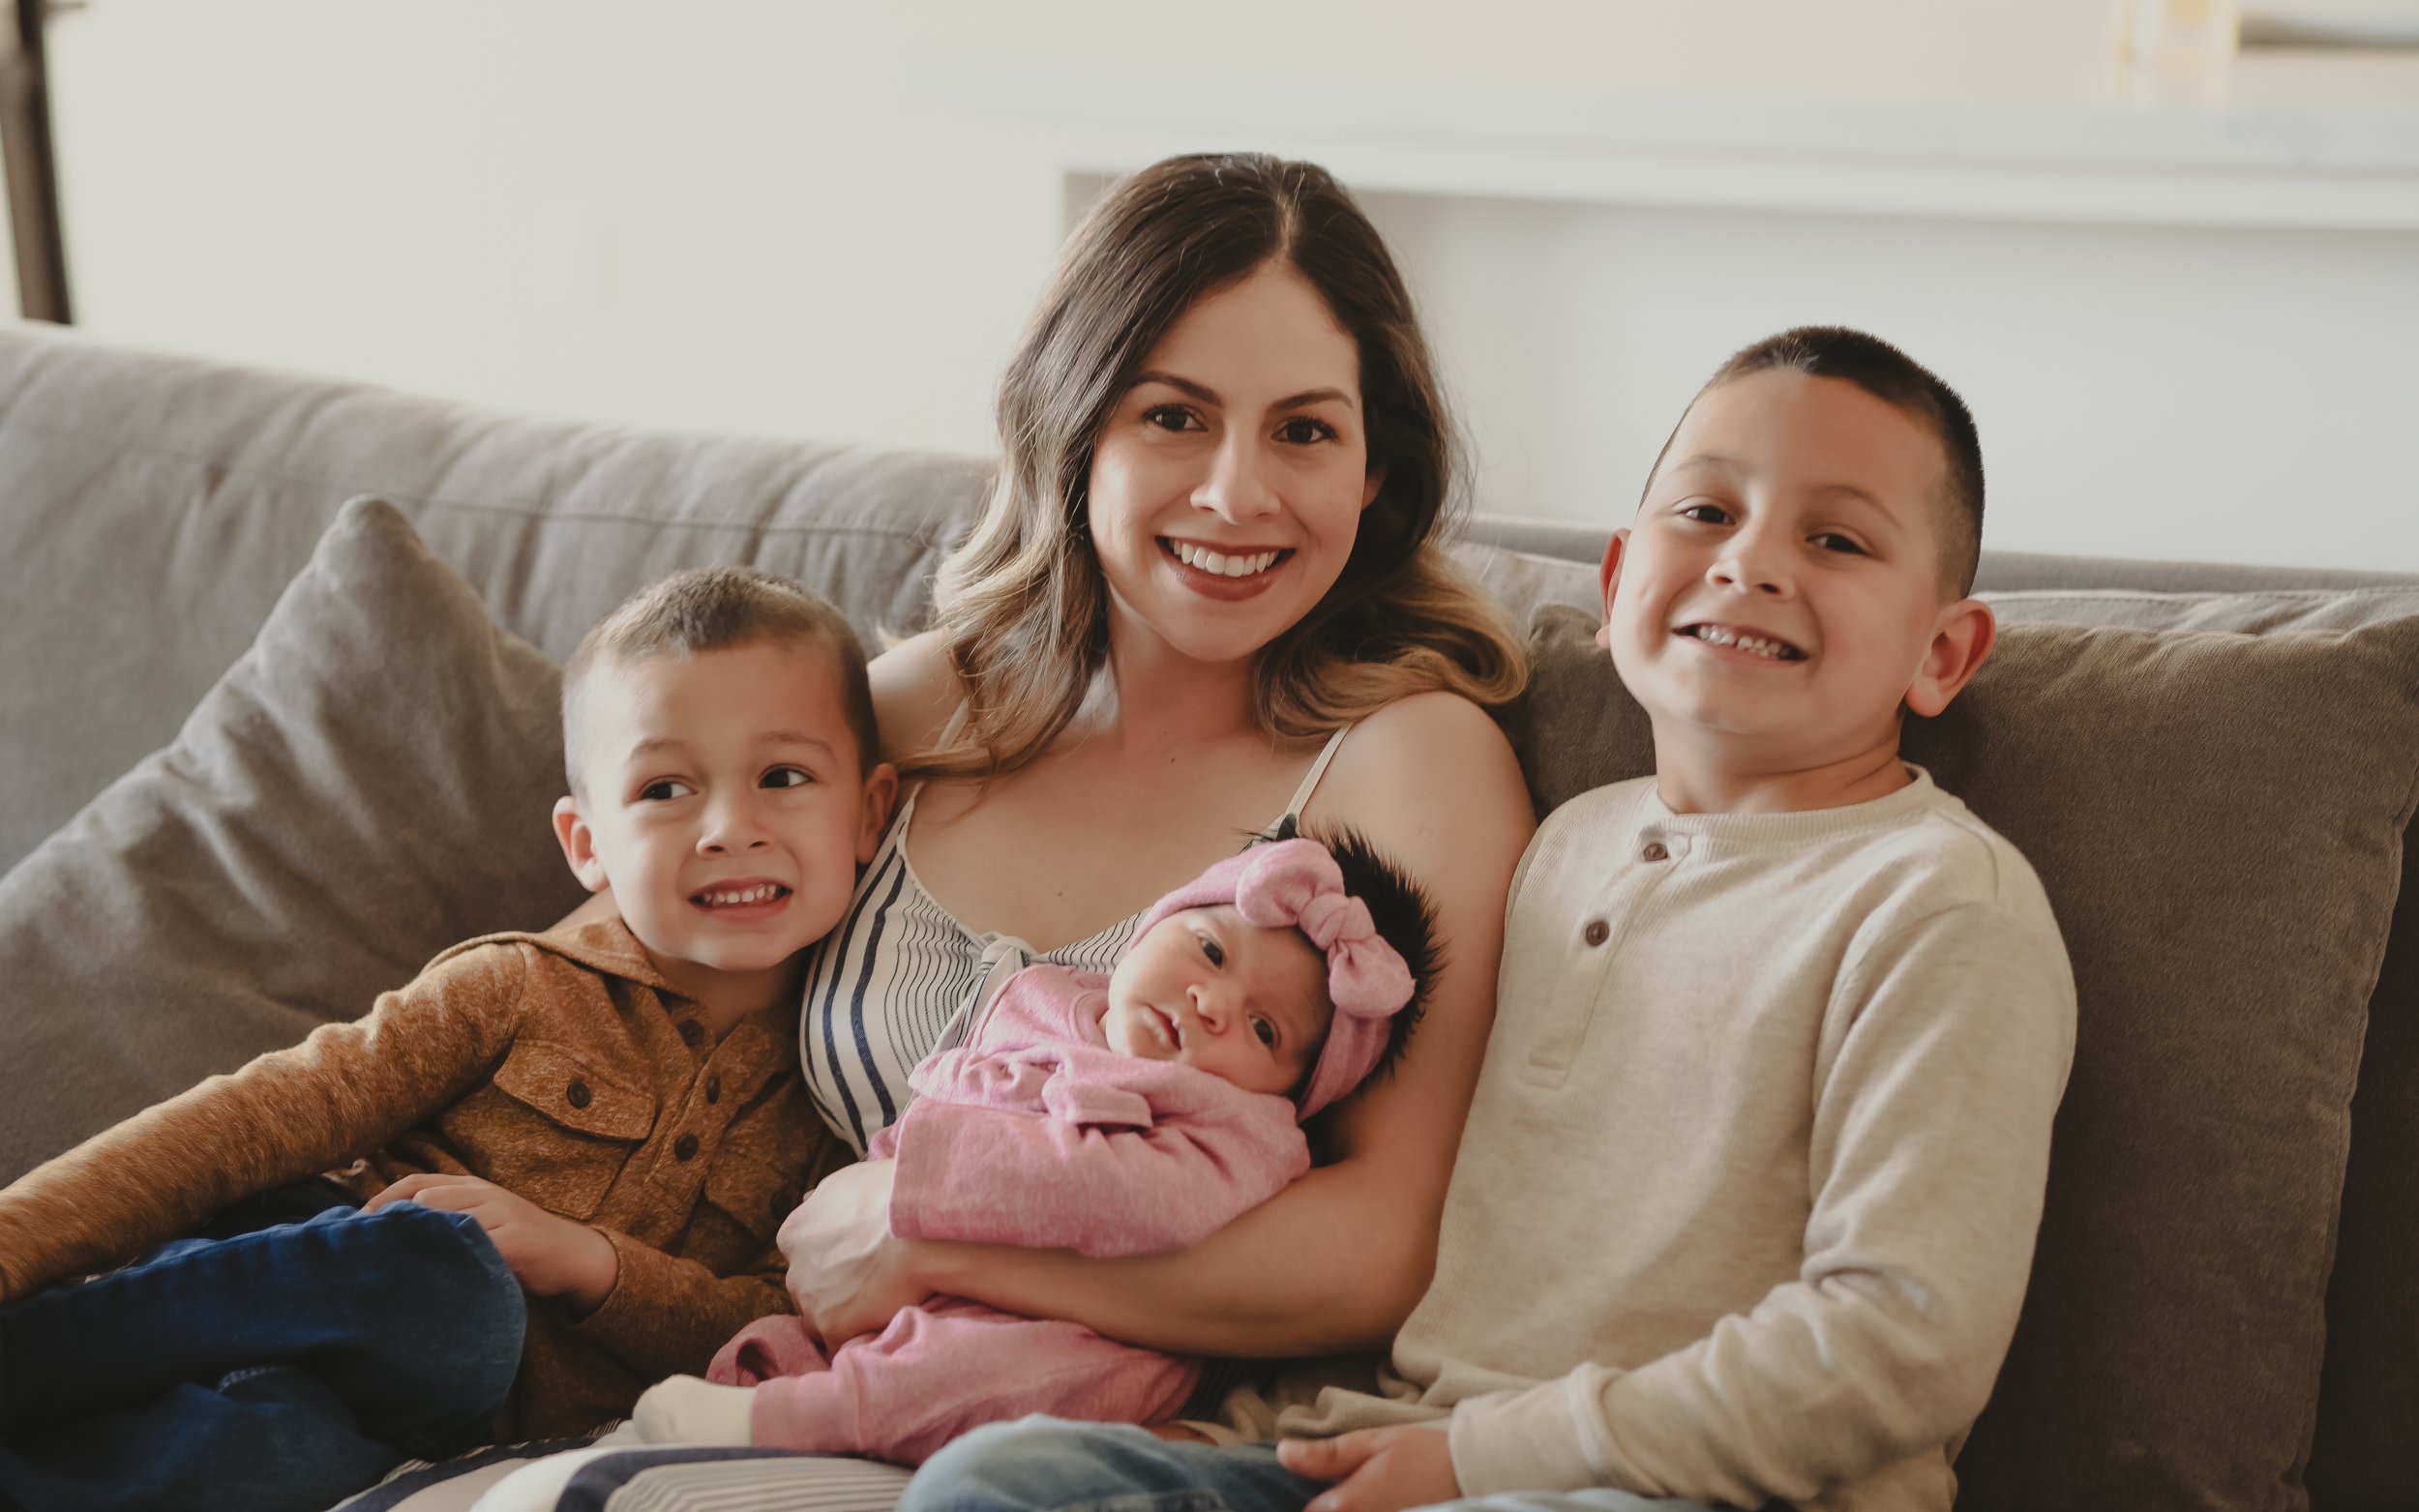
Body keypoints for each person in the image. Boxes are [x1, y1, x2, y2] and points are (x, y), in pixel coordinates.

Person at [471, 151, 1535, 1512]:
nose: (1236, 492)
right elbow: (592, 995)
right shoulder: (919, 711)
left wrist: (936, 1246)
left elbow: (1384, 1246)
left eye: (1305, 431)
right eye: (1174, 415)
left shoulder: (1411, 764)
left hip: (1126, 1448)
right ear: (1072, 426)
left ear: (1378, 469)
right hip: (789, 1379)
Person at [900, 326, 2079, 1512]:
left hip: (1662, 1490)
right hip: (1397, 1447)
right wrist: (1238, 1431)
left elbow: (1900, 1344)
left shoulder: (1938, 905)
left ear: (1942, 654)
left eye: (1835, 539)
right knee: (998, 1481)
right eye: (1706, 513)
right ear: (1615, 586)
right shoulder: (1562, 845)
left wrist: (1485, 1457)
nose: (1749, 563)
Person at [0, 567, 898, 1512]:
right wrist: (17, 1238)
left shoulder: (851, 1100)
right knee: (454, 1286)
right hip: (324, 1275)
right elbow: (253, 1119)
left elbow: (784, 1325)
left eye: (782, 777)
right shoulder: (517, 986)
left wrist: (591, 1262)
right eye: (665, 787)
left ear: (869, 813)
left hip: (401, 1430)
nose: (729, 828)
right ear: (587, 843)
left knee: (287, 1461)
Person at [627, 831, 1436, 1465]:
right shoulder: (1045, 998)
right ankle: (739, 1391)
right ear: (1153, 924)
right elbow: (945, 1091)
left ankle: (796, 1420)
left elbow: (1128, 1196)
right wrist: (879, 1174)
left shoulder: (1243, 1130)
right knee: (780, 1336)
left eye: (1263, 1028)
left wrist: (915, 1185)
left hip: (1082, 1326)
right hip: (893, 1268)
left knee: (994, 1374)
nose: (1211, 1001)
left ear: (1293, 1092)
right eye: (1211, 950)